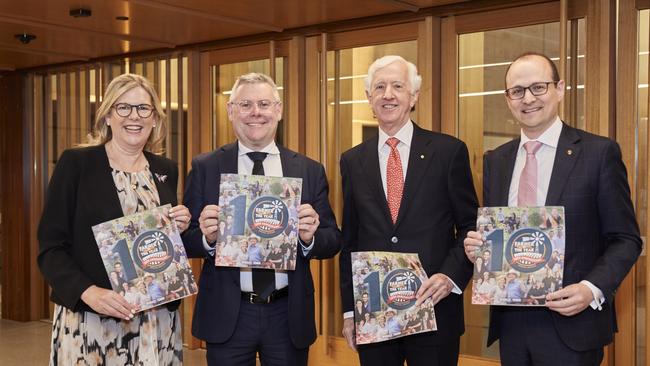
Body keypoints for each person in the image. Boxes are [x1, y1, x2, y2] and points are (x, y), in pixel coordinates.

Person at [463, 52, 642, 365]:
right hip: (512, 324)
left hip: (573, 325)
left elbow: (626, 239)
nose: (528, 98)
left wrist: (591, 289)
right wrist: (480, 248)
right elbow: (501, 235)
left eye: (538, 87)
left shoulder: (599, 154)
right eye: (517, 91)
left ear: (560, 89)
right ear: (508, 99)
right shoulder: (496, 161)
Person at [181, 72, 341, 366]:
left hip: (287, 313)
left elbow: (332, 240)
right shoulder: (206, 167)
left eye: (264, 104)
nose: (256, 113)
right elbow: (184, 241)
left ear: (278, 110)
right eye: (246, 105)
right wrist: (206, 237)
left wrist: (309, 239)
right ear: (231, 111)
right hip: (228, 313)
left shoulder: (308, 169)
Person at [37, 73, 192, 365]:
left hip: (155, 322)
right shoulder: (77, 164)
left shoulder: (166, 169)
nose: (134, 116)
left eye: (143, 108)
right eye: (123, 107)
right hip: (93, 320)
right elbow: (51, 247)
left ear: (155, 119)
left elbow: (155, 245)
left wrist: (178, 227)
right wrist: (88, 292)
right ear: (108, 115)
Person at [339, 55, 478, 366]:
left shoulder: (448, 152)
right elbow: (350, 241)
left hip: (435, 313)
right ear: (369, 98)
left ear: (413, 96)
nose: (388, 94)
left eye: (398, 86)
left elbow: (470, 226)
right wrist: (350, 311)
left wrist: (449, 277)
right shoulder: (352, 160)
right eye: (380, 87)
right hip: (375, 317)